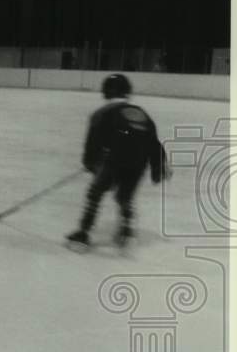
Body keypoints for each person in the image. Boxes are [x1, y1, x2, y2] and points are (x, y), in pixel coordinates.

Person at [66, 73, 169, 250]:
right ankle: (126, 231)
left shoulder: (101, 113)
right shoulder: (141, 113)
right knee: (124, 196)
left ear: (105, 92)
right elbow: (153, 142)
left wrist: (90, 162)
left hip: (115, 159)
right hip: (139, 162)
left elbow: (94, 141)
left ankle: (83, 233)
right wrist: (158, 165)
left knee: (95, 193)